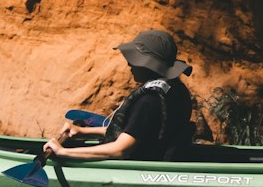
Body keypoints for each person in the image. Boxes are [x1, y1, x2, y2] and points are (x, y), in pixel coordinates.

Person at [44, 29, 194, 164]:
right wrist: (83, 132)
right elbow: (137, 131)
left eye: (133, 60)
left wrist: (63, 152)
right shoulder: (174, 90)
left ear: (148, 65)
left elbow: (121, 149)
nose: (130, 65)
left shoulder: (149, 101)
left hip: (139, 168)